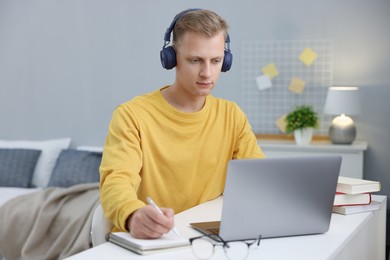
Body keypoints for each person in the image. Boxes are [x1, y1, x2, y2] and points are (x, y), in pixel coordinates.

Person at [99, 8, 265, 239]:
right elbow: (116, 181)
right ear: (171, 58)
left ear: (225, 61)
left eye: (216, 61)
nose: (207, 73)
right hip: (152, 242)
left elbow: (258, 179)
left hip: (205, 239)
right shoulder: (131, 115)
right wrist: (133, 214)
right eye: (195, 60)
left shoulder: (232, 115)